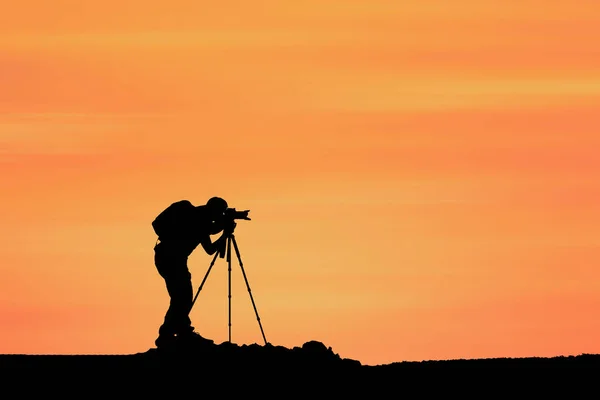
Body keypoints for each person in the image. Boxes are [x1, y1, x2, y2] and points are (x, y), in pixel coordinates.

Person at [152, 196, 248, 349]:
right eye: (220, 213)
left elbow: (212, 227)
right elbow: (210, 248)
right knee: (182, 297)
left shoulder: (196, 216)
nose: (220, 217)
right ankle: (169, 335)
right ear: (214, 211)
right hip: (172, 260)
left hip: (166, 257)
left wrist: (232, 218)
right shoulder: (200, 222)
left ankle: (180, 333)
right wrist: (225, 234)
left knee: (180, 297)